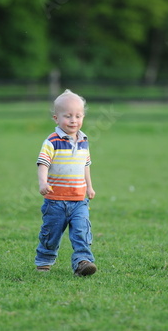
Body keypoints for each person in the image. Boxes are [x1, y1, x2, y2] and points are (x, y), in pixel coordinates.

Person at [35, 89, 97, 276]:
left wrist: (90, 186)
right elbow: (43, 163)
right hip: (55, 201)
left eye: (78, 116)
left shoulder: (84, 140)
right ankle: (44, 261)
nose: (73, 120)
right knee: (51, 234)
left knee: (81, 232)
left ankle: (82, 262)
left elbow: (85, 165)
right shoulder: (52, 141)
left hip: (79, 200)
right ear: (56, 118)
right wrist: (42, 183)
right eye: (68, 116)